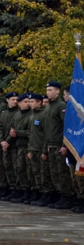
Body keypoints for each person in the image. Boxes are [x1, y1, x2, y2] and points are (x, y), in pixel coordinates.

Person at [42, 81, 73, 209]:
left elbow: (65, 126)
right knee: (53, 172)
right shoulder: (48, 107)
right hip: (50, 144)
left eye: (51, 90)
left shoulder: (61, 106)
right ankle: (59, 195)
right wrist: (45, 148)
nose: (48, 92)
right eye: (47, 90)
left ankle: (67, 197)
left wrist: (64, 145)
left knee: (62, 173)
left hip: (59, 145)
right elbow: (46, 129)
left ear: (58, 91)